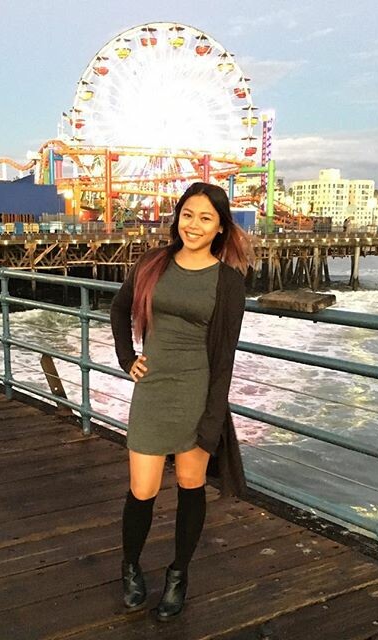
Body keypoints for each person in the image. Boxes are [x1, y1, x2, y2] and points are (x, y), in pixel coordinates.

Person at [110, 182, 251, 621]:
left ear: (221, 227)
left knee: (191, 486)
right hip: (153, 391)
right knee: (142, 489)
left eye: (206, 218)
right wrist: (127, 358)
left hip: (197, 391)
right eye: (188, 214)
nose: (194, 225)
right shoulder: (153, 263)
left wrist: (212, 418)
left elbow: (224, 358)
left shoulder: (229, 282)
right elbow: (119, 308)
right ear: (177, 218)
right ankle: (130, 567)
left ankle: (178, 575)